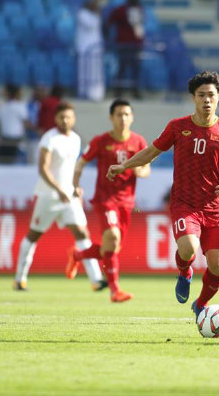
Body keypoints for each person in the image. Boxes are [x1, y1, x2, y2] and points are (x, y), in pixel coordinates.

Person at [104, 71, 219, 318]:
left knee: (218, 265)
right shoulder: (178, 127)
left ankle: (200, 304)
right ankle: (185, 271)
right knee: (188, 247)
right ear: (193, 98)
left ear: (218, 97)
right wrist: (124, 166)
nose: (207, 100)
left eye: (211, 95)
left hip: (215, 207)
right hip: (184, 204)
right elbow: (151, 152)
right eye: (201, 95)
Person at [13, 103, 106, 292]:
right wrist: (59, 190)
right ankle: (19, 279)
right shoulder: (49, 138)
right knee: (33, 235)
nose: (65, 120)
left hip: (69, 196)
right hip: (49, 196)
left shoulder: (76, 139)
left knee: (82, 233)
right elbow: (43, 169)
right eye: (61, 117)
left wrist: (76, 188)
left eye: (68, 117)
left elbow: (72, 168)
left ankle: (96, 280)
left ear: (74, 119)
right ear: (55, 119)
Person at [67, 99, 150, 303]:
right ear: (111, 118)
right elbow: (81, 163)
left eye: (126, 114)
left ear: (132, 117)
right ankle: (115, 290)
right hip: (105, 199)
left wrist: (141, 170)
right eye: (118, 115)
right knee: (112, 238)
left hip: (127, 203)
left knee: (110, 248)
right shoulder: (101, 141)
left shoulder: (138, 142)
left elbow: (146, 168)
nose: (122, 118)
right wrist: (75, 185)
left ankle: (78, 256)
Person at [106, 0, 145, 98]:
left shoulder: (139, 9)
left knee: (136, 68)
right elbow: (109, 22)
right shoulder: (121, 10)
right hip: (124, 44)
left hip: (136, 44)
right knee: (122, 68)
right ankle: (118, 91)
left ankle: (135, 90)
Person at [76, 0, 105, 102]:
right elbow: (91, 25)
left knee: (95, 73)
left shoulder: (95, 16)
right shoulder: (82, 14)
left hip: (95, 50)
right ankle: (83, 93)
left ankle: (95, 93)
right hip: (84, 49)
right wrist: (97, 14)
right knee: (84, 73)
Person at [0, 84, 30, 164]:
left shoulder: (3, 107)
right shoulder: (20, 106)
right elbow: (26, 123)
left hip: (4, 139)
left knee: (3, 163)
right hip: (16, 140)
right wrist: (37, 129)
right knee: (13, 165)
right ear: (17, 93)